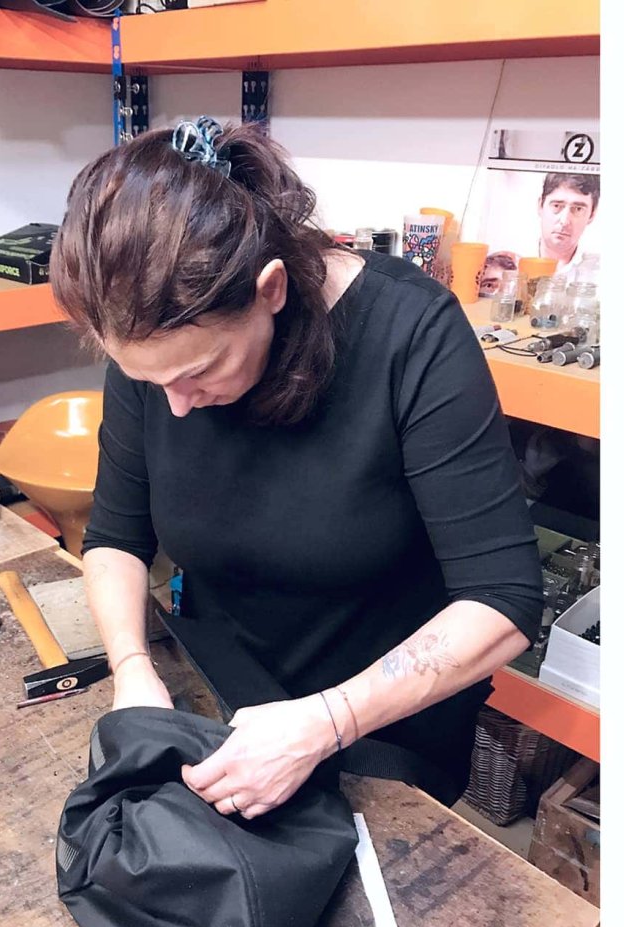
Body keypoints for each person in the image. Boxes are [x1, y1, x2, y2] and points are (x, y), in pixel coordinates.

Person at [50, 117, 542, 820]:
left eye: (200, 372)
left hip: (381, 724)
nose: (176, 405)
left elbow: (503, 599)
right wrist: (132, 670)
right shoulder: (154, 345)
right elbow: (115, 537)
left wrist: (327, 722)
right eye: (149, 381)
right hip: (216, 689)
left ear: (271, 288)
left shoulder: (412, 332)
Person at [537, 172, 600, 272]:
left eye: (578, 209)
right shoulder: (513, 259)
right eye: (556, 206)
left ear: (592, 215)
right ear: (540, 205)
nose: (564, 221)